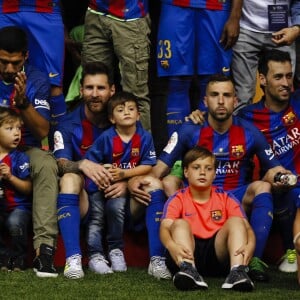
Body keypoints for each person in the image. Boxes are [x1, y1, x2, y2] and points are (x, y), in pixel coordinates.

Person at [128, 74, 290, 283]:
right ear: (205, 101)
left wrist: (282, 176)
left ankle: (253, 261)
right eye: (214, 95)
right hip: (195, 201)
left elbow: (274, 167)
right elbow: (159, 169)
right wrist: (136, 180)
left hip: (233, 199)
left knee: (262, 187)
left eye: (226, 95)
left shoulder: (250, 131)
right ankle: (159, 259)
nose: (221, 101)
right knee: (164, 182)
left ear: (236, 100)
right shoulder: (188, 129)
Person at [0, 26, 59, 278]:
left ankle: (43, 252)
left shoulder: (36, 79)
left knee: (46, 164)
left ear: (25, 56)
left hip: (26, 148)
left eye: (14, 63)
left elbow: (43, 129)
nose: (9, 69)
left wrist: (23, 104)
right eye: (3, 62)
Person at [238, 49, 300, 275]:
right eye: (278, 77)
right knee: (288, 190)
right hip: (279, 190)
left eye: (289, 76)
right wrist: (198, 115)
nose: (286, 83)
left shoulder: (298, 102)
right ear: (262, 80)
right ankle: (290, 250)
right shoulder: (246, 117)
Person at [160, 146, 255, 291]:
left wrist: (251, 245)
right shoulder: (177, 198)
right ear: (186, 172)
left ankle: (237, 272)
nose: (202, 172)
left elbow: (247, 228)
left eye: (208, 168)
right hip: (186, 252)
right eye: (196, 168)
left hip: (217, 254)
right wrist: (171, 246)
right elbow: (165, 228)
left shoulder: (226, 197)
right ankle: (188, 270)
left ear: (215, 174)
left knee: (237, 221)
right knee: (179, 223)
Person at [53, 61, 116, 279]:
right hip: (85, 200)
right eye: (89, 88)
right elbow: (60, 164)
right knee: (70, 177)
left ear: (112, 90)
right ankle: (73, 259)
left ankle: (158, 259)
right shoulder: (68, 124)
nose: (95, 94)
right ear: (81, 91)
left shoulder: (123, 119)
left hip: (117, 198)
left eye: (101, 88)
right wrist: (81, 165)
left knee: (151, 184)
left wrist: (125, 181)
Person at [84, 91, 156, 274]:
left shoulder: (145, 137)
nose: (127, 112)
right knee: (96, 218)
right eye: (120, 109)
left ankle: (116, 250)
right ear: (112, 118)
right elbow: (91, 163)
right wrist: (103, 174)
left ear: (139, 115)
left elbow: (148, 165)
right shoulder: (106, 138)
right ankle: (95, 255)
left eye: (132, 109)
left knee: (116, 210)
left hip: (121, 189)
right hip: (98, 187)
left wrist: (124, 174)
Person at [156, 0, 242, 136]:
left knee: (212, 82)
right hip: (176, 5)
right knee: (177, 80)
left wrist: (235, 16)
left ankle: (208, 147)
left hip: (216, 7)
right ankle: (176, 151)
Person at [0, 0, 67, 148]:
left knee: (54, 86)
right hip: (6, 7)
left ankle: (61, 151)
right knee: (4, 64)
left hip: (45, 8)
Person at [81, 0, 151, 131]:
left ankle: (142, 149)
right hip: (95, 11)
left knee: (135, 94)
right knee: (93, 88)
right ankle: (93, 147)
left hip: (130, 17)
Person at [231, 0, 300, 107]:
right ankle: (242, 123)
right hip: (246, 29)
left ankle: (284, 123)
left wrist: (297, 28)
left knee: (284, 89)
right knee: (243, 95)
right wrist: (234, 19)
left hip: (284, 32)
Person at [0, 107, 31, 271]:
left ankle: (19, 258)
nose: (17, 133)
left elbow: (28, 188)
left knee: (15, 222)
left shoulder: (20, 157)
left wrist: (11, 177)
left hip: (19, 207)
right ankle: (4, 257)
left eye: (19, 128)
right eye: (10, 128)